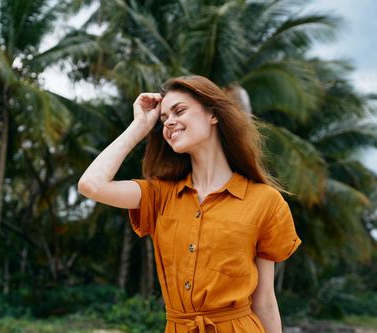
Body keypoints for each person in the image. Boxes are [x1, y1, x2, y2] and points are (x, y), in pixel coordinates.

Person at [78, 75, 301, 332]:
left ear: (213, 115)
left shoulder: (265, 201)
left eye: (179, 111)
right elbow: (91, 185)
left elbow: (265, 303)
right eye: (163, 119)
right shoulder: (159, 195)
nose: (169, 121)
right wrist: (140, 125)